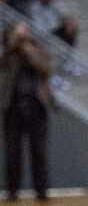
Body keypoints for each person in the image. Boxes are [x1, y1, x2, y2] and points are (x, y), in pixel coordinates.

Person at [1, 22, 51, 201]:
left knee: (39, 151)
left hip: (37, 105)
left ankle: (42, 191)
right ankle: (12, 191)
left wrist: (28, 48)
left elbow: (45, 68)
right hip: (12, 106)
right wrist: (14, 44)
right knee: (12, 152)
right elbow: (4, 63)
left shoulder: (36, 48)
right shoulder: (8, 51)